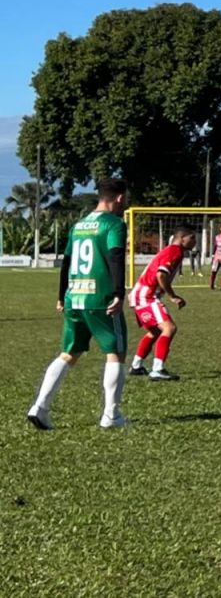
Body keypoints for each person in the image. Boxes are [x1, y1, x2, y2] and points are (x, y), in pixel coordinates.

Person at [27, 178, 130, 430]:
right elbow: (116, 256)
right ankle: (111, 415)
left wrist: (62, 295)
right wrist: (119, 293)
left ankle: (39, 407)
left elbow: (67, 261)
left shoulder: (79, 225)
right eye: (124, 198)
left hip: (75, 297)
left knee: (69, 353)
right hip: (100, 298)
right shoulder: (114, 223)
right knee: (115, 353)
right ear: (118, 198)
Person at [127, 226, 197, 381]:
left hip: (140, 294)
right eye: (193, 238)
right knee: (169, 328)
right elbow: (161, 275)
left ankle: (136, 366)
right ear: (184, 238)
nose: (195, 243)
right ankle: (157, 369)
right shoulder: (175, 251)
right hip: (147, 296)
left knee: (155, 332)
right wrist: (173, 296)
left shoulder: (172, 250)